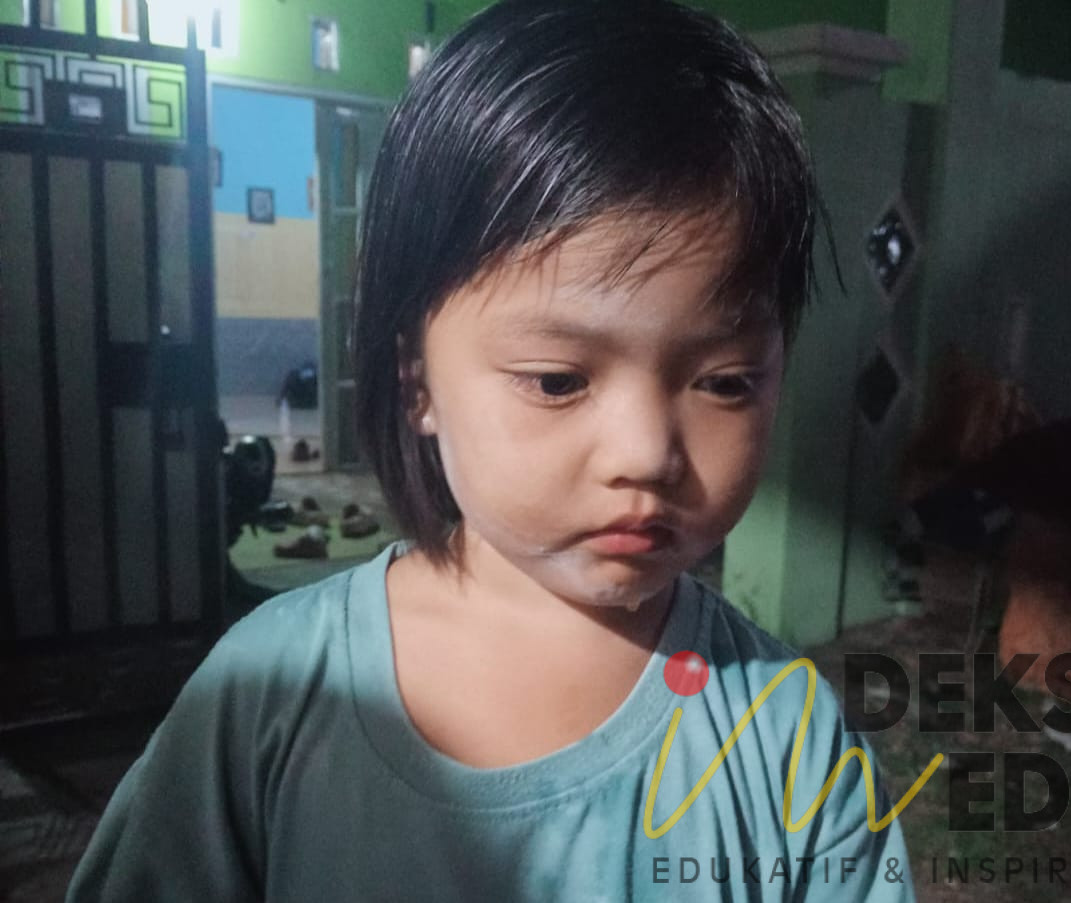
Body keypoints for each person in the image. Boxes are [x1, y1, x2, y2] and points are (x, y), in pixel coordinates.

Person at [68, 1, 914, 899]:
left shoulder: (789, 740)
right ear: (416, 382)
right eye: (556, 380)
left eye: (725, 381)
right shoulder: (268, 691)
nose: (645, 454)